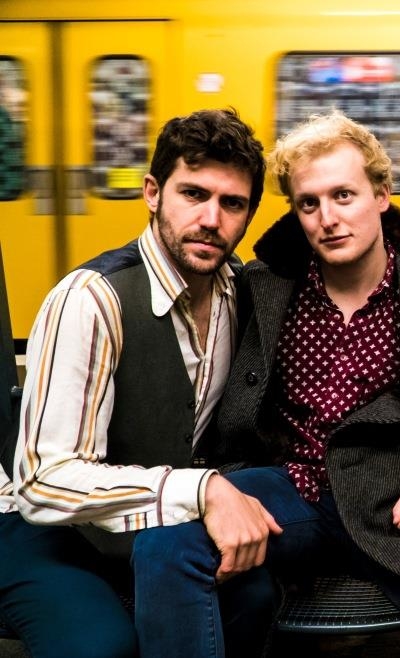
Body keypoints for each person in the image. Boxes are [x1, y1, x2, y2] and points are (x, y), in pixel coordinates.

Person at [131, 111, 400, 658]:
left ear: (381, 195)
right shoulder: (263, 284)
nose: (328, 219)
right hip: (291, 489)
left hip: (396, 499)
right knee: (165, 545)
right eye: (308, 204)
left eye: (343, 196)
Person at [1, 108, 267, 658]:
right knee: (101, 647)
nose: (211, 219)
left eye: (233, 203)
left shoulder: (235, 290)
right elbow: (44, 482)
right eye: (193, 194)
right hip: (51, 528)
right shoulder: (91, 299)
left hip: (150, 529)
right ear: (152, 193)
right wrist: (203, 489)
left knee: (255, 598)